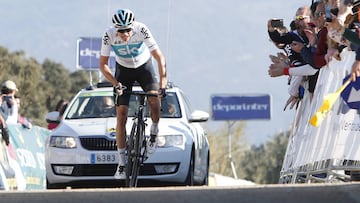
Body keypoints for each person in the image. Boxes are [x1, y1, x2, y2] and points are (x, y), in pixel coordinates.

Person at [99, 8, 167, 179]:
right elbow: (103, 65)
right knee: (121, 115)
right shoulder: (109, 35)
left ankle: (154, 130)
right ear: (116, 29)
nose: (125, 34)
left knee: (153, 100)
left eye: (127, 30)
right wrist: (116, 83)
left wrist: (163, 85)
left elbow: (158, 56)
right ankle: (122, 163)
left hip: (145, 68)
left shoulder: (141, 29)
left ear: (132, 27)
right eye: (121, 31)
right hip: (124, 71)